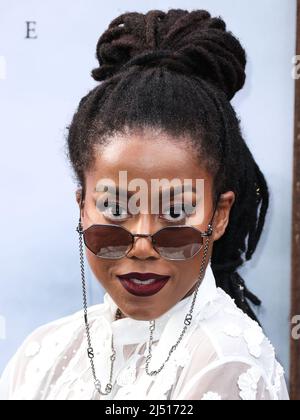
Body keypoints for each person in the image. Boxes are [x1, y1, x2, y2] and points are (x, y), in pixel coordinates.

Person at [0, 8, 289, 400]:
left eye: (174, 213)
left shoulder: (227, 365)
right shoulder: (44, 353)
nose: (141, 243)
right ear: (82, 207)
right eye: (116, 210)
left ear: (218, 216)